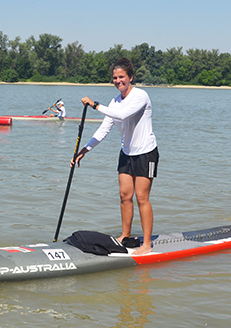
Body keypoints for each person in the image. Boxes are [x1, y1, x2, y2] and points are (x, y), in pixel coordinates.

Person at [71, 57, 159, 255]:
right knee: (124, 196)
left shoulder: (140, 96)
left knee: (142, 198)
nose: (118, 81)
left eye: (122, 77)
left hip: (146, 153)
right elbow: (104, 129)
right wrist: (84, 150)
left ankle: (146, 244)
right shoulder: (115, 101)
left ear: (130, 77)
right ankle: (125, 235)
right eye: (115, 78)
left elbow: (122, 116)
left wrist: (94, 105)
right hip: (126, 153)